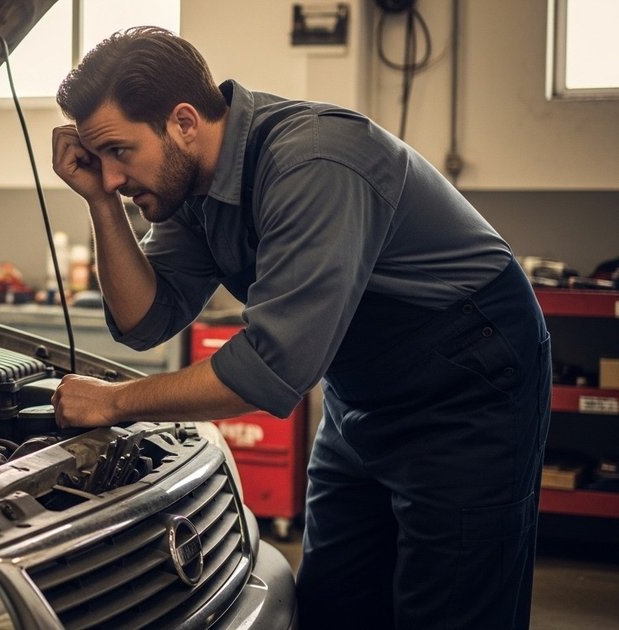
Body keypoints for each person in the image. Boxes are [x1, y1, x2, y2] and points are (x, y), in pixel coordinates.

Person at [49, 26, 550, 629]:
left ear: (183, 122)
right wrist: (100, 204)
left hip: (470, 376)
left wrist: (116, 403)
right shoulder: (194, 186)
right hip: (362, 390)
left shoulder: (314, 159)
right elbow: (145, 320)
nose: (110, 176)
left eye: (119, 153)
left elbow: (272, 368)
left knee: (452, 609)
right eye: (97, 160)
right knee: (335, 603)